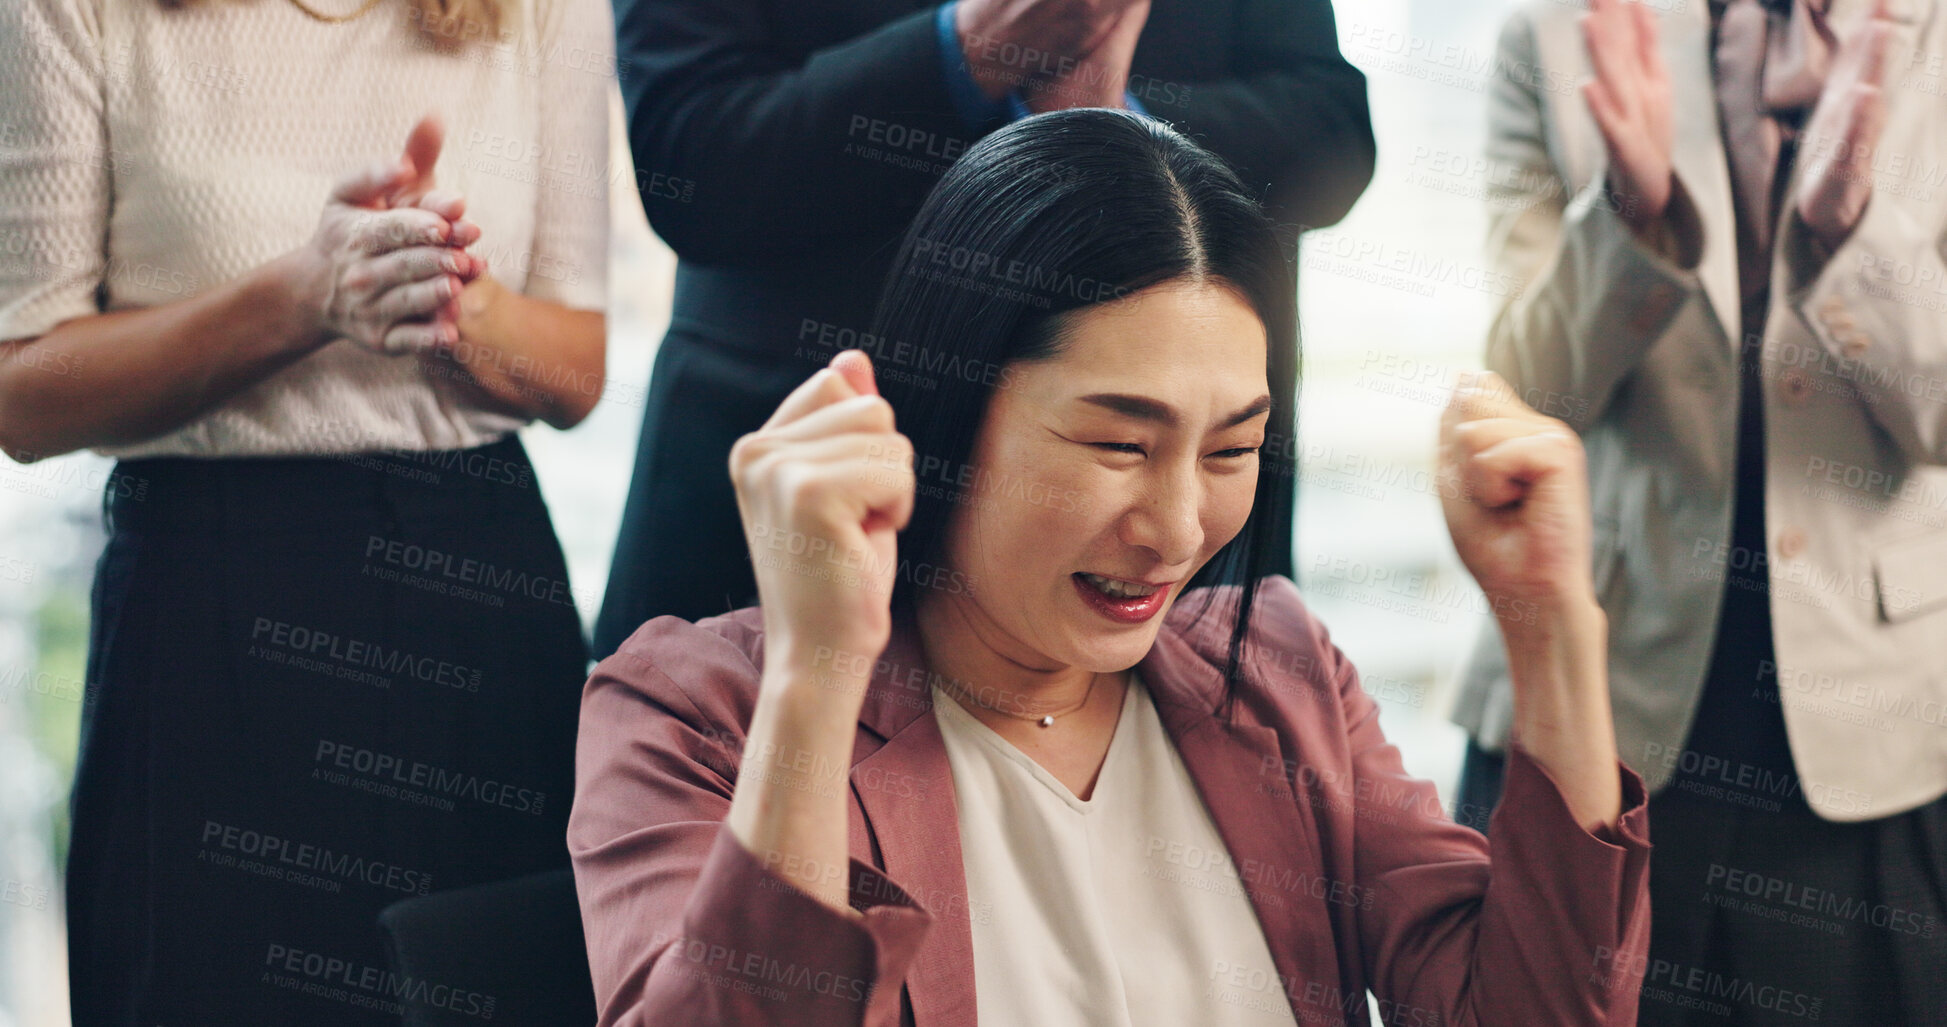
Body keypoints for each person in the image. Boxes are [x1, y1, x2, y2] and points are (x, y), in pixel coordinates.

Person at [570, 108, 1652, 1027]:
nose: (1178, 527)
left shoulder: (1281, 673)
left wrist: (1550, 621)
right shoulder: (693, 712)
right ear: (950, 412)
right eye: (1119, 445)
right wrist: (815, 674)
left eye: (1231, 450)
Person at [0, 0, 611, 1021]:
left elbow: (578, 370)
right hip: (204, 602)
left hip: (477, 595)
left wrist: (447, 292)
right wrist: (302, 296)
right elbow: (23, 389)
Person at [592, 0, 1377, 657]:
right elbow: (691, 161)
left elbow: (1333, 132)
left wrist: (1112, 128)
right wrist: (966, 53)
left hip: (1172, 503)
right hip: (798, 462)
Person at [1449, 0, 1947, 1022]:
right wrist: (1630, 221)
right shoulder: (1550, 33)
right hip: (1603, 697)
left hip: (1876, 727)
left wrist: (1852, 224)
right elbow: (1523, 404)